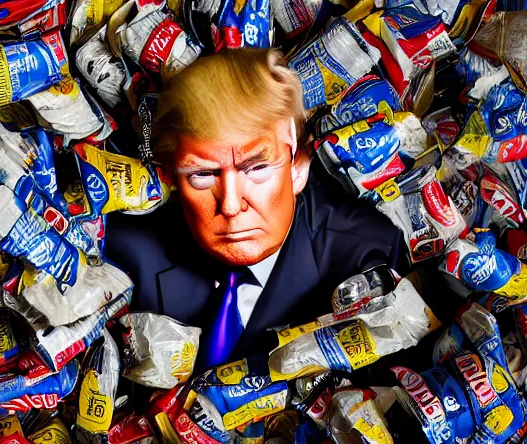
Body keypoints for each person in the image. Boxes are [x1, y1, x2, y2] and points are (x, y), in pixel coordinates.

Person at [105, 48, 403, 372]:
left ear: (298, 167)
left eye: (257, 168)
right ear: (170, 179)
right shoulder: (125, 251)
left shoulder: (368, 256)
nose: (231, 205)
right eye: (203, 175)